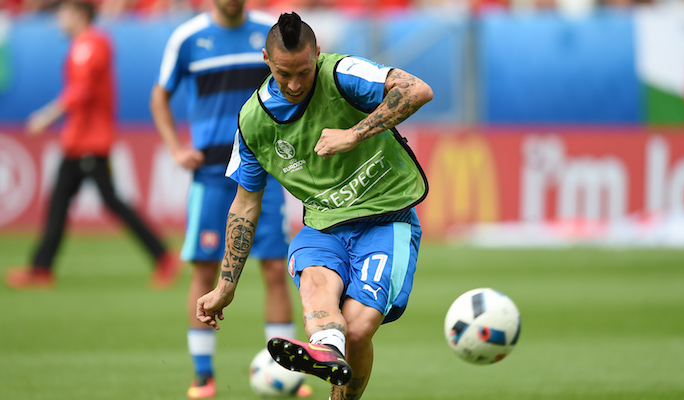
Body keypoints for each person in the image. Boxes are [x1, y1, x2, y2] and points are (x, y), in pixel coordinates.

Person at [196, 12, 433, 400]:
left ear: (317, 55)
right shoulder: (253, 121)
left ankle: (334, 367)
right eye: (283, 73)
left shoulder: (342, 73)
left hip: (387, 219)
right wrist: (226, 284)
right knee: (317, 286)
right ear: (266, 61)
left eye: (304, 72)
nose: (294, 83)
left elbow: (418, 90)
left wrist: (354, 135)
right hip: (322, 227)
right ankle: (323, 344)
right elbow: (244, 205)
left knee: (357, 331)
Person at [149, 1, 308, 398]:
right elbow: (159, 96)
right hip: (210, 172)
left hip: (263, 171)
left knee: (275, 268)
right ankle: (203, 376)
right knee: (203, 269)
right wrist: (174, 148)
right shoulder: (187, 38)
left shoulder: (270, 37)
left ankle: (288, 374)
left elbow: (292, 88)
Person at [4, 0, 181, 290]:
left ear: (79, 15)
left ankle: (163, 257)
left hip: (90, 141)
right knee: (61, 202)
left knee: (108, 201)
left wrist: (49, 114)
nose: (59, 20)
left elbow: (83, 89)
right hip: (79, 141)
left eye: (63, 14)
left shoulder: (92, 44)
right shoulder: (83, 45)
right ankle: (40, 267)